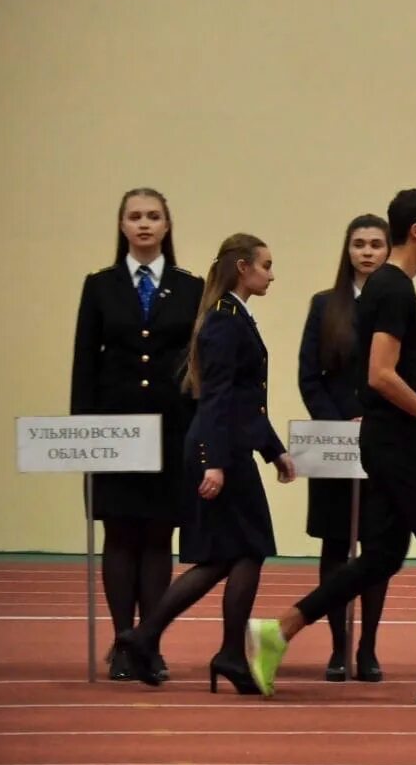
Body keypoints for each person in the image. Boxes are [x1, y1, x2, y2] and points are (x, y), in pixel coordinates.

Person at [247, 188, 416, 706]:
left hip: (385, 441)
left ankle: (278, 631)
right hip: (400, 442)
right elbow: (381, 376)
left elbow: (399, 369)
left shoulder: (388, 289)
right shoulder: (394, 290)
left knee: (382, 556)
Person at [118, 233, 296, 694]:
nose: (272, 274)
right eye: (267, 264)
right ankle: (216, 651)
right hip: (220, 450)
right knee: (247, 549)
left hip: (231, 446)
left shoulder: (235, 318)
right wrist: (213, 463)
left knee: (227, 556)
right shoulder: (224, 321)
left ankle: (151, 638)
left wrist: (272, 449)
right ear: (243, 267)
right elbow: (215, 397)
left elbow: (245, 399)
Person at [70, 187, 203, 681]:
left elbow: (198, 366)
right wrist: (84, 430)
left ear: (167, 226)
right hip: (115, 426)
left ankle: (149, 642)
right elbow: (86, 362)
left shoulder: (190, 288)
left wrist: (200, 435)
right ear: (122, 225)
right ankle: (123, 641)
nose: (144, 224)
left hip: (171, 428)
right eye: (134, 216)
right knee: (120, 532)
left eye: (153, 216)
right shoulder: (100, 285)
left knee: (158, 534)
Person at [298, 214, 392, 682]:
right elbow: (308, 378)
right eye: (359, 244)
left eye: (376, 243)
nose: (368, 252)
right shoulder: (324, 305)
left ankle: (368, 647)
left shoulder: (401, 304)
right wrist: (340, 425)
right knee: (337, 545)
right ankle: (338, 647)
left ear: (388, 249)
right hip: (333, 445)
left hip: (383, 442)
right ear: (348, 250)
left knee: (377, 546)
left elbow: (411, 372)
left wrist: (374, 422)